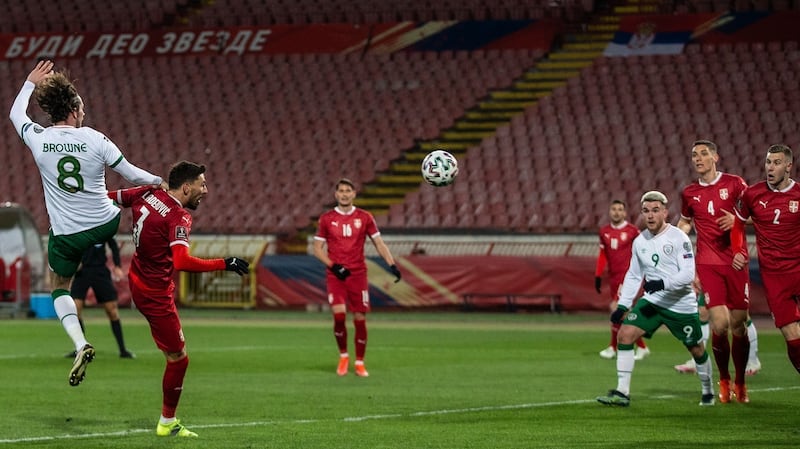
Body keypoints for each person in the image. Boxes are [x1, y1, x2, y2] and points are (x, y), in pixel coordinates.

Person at [9, 60, 163, 387]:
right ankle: (151, 232)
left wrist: (28, 83)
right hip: (105, 222)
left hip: (66, 235)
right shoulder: (96, 139)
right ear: (76, 108)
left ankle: (80, 342)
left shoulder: (38, 139)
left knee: (59, 287)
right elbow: (133, 172)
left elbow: (15, 116)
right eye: (81, 105)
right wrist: (158, 181)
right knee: (127, 194)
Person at [110, 161, 249, 438]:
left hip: (137, 279)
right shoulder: (178, 215)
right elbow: (182, 261)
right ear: (186, 187)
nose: (206, 190)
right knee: (179, 359)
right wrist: (226, 263)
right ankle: (167, 422)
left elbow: (110, 197)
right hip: (155, 294)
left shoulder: (147, 192)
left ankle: (168, 419)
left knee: (172, 355)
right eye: (202, 184)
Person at [597, 191, 715, 407]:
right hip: (653, 302)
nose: (650, 216)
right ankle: (623, 392)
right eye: (645, 211)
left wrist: (662, 283)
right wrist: (623, 305)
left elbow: (688, 274)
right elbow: (633, 275)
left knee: (696, 349)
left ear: (665, 212)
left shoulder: (679, 237)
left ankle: (708, 390)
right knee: (625, 335)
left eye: (655, 211)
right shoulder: (640, 241)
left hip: (680, 305)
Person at [673, 140, 753, 403]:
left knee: (738, 325)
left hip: (736, 262)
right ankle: (724, 380)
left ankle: (740, 381)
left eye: (703, 153)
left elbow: (757, 212)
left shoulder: (735, 184)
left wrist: (738, 219)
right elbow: (686, 221)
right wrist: (676, 235)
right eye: (694, 154)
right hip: (707, 264)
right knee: (719, 323)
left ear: (715, 157)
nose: (698, 158)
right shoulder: (689, 192)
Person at [312, 178, 401, 377]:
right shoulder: (326, 219)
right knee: (339, 315)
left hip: (358, 275)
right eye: (341, 190)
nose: (344, 194)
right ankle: (344, 355)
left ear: (354, 194)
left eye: (348, 190)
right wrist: (334, 267)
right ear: (336, 194)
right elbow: (317, 249)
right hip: (336, 275)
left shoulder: (365, 217)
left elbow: (379, 243)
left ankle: (359, 362)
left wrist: (391, 264)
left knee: (360, 319)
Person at [733, 144, 800, 378]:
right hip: (774, 277)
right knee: (792, 337)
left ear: (789, 166)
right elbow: (737, 223)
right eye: (768, 162)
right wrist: (738, 250)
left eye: (777, 163)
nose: (770, 167)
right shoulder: (753, 194)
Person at [595, 199, 650, 361]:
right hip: (613, 278)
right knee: (623, 313)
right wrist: (597, 275)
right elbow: (603, 255)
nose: (617, 212)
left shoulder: (633, 231)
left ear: (625, 213)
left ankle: (613, 347)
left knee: (615, 308)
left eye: (620, 209)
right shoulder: (604, 231)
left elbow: (643, 251)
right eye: (614, 209)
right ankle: (641, 346)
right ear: (609, 212)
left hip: (627, 277)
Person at [64, 237, 135, 359]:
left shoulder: (103, 224)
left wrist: (117, 265)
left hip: (100, 271)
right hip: (82, 272)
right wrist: (74, 262)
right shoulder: (79, 225)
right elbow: (71, 245)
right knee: (75, 310)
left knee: (112, 311)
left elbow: (113, 245)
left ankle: (123, 350)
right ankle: (80, 348)